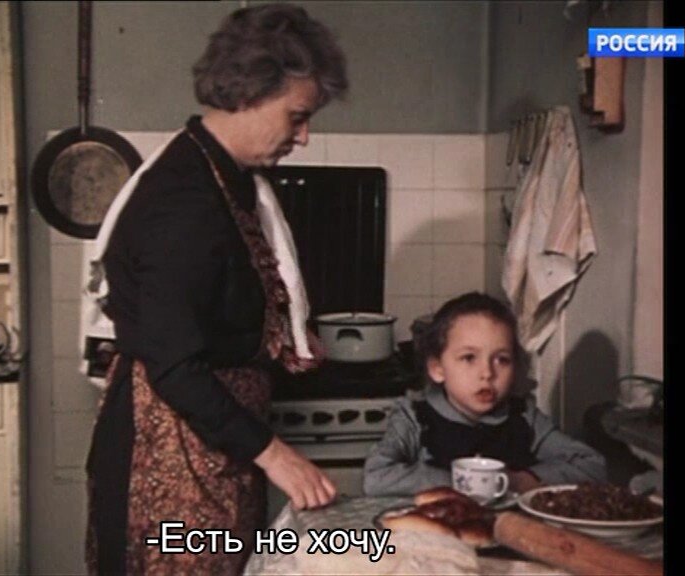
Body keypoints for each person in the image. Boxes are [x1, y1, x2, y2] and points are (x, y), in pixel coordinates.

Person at [81, 4, 348, 574]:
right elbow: (175, 365)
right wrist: (276, 456)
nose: (304, 137)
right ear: (248, 94)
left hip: (216, 445)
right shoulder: (183, 201)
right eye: (297, 117)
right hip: (170, 452)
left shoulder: (225, 175)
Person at [363, 292, 606, 498]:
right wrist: (463, 483)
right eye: (469, 358)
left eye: (502, 359)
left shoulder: (524, 417)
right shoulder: (415, 417)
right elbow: (376, 477)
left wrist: (519, 480)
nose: (487, 373)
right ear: (437, 369)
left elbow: (593, 465)